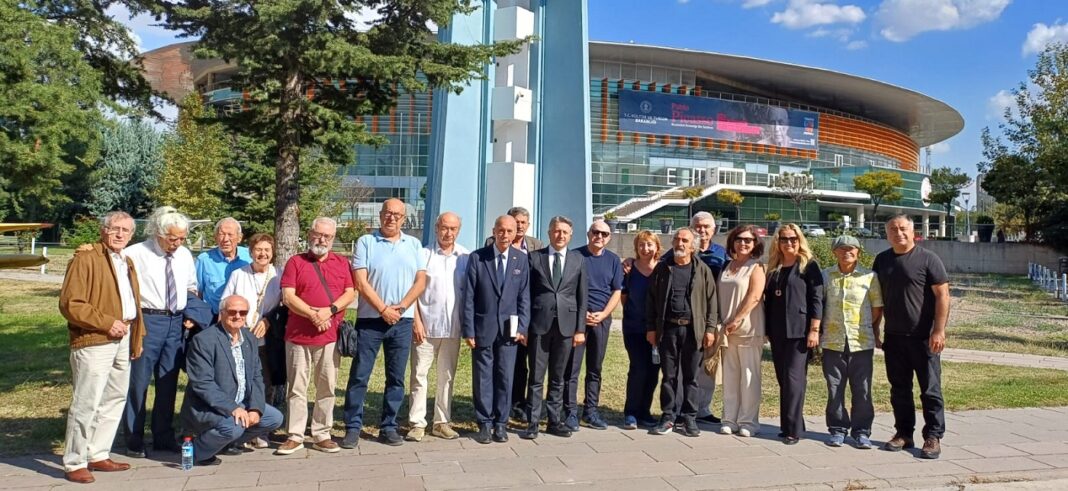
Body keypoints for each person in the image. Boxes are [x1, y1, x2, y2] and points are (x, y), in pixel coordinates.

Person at [59, 211, 145, 484]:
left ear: (132, 235)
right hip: (95, 338)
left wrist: (136, 337)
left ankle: (97, 453)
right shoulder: (85, 258)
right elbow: (71, 304)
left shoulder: (126, 261)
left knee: (114, 398)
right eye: (115, 228)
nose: (120, 234)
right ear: (103, 230)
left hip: (123, 336)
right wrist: (107, 323)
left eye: (126, 230)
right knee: (86, 401)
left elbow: (132, 303)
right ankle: (75, 461)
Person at [343, 198, 427, 448]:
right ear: (380, 215)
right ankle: (352, 426)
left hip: (402, 321)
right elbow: (360, 282)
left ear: (404, 219)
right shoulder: (366, 242)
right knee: (360, 375)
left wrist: (401, 307)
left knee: (396, 377)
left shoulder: (414, 244)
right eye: (387, 213)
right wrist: (383, 309)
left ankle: (389, 426)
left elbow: (421, 282)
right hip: (370, 320)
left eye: (397, 214)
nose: (391, 218)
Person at [275, 217, 355, 455]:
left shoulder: (342, 263)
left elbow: (350, 293)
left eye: (327, 236)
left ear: (333, 238)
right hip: (298, 336)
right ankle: (295, 435)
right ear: (310, 234)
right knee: (297, 388)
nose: (321, 239)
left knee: (327, 387)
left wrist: (329, 311)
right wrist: (313, 315)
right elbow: (288, 296)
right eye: (318, 234)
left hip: (329, 337)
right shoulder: (295, 262)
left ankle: (322, 434)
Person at [123, 206, 198, 457]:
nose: (177, 243)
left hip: (176, 322)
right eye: (173, 238)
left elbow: (190, 286)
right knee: (139, 382)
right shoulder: (135, 254)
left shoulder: (184, 255)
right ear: (158, 233)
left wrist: (190, 313)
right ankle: (134, 438)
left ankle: (163, 436)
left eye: (182, 238)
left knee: (168, 380)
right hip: (148, 321)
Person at [873, 214, 950, 459]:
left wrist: (938, 330)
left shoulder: (928, 259)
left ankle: (933, 436)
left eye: (903, 228)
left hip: (924, 338)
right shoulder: (882, 260)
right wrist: (875, 327)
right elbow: (877, 298)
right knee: (899, 389)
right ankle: (904, 434)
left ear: (912, 230)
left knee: (930, 390)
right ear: (887, 234)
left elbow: (943, 296)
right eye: (893, 229)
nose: (899, 233)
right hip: (894, 337)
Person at [180, 295, 283, 466]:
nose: (237, 316)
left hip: (241, 403)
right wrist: (233, 408)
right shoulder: (204, 340)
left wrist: (255, 408)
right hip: (210, 406)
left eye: (243, 312)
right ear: (222, 313)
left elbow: (257, 376)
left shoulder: (249, 338)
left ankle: (223, 443)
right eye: (232, 312)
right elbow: (203, 383)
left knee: (274, 418)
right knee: (234, 426)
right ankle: (198, 451)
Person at [463, 215, 531, 444]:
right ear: (494, 231)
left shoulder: (521, 259)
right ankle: (484, 422)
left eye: (510, 231)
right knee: (483, 377)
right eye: (501, 230)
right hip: (483, 328)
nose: (505, 235)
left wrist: (522, 327)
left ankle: (501, 423)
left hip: (509, 330)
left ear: (515, 233)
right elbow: (469, 296)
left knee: (505, 376)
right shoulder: (478, 257)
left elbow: (524, 296)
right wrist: (469, 330)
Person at [646, 227, 719, 438]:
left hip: (693, 331)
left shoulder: (702, 269)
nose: (680, 243)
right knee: (668, 376)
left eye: (685, 240)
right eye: (677, 239)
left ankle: (689, 417)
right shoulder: (663, 268)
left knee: (691, 377)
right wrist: (651, 328)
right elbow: (651, 300)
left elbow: (712, 302)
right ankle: (668, 416)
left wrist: (710, 329)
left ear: (693, 246)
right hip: (668, 330)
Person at [658, 212, 727, 424]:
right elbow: (658, 266)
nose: (702, 230)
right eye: (698, 226)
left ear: (713, 230)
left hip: (709, 316)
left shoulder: (721, 254)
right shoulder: (677, 252)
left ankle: (702, 408)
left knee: (705, 367)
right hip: (682, 318)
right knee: (680, 369)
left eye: (706, 226)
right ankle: (679, 409)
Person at [523, 216, 587, 440]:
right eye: (557, 231)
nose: (560, 235)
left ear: (571, 235)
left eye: (565, 232)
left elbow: (582, 297)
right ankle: (532, 422)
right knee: (536, 377)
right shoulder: (534, 258)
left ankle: (553, 421)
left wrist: (580, 330)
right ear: (549, 233)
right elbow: (526, 294)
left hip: (566, 327)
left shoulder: (578, 260)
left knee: (558, 377)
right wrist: (524, 327)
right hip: (539, 325)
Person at [407, 212, 469, 442]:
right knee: (419, 375)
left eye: (453, 229)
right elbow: (413, 291)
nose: (448, 233)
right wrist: (416, 321)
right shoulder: (423, 255)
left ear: (458, 231)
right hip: (425, 327)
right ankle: (417, 423)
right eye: (444, 228)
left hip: (453, 328)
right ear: (436, 228)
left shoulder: (465, 257)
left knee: (447, 376)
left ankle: (441, 422)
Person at [221, 233, 284, 449]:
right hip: (240, 336)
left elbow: (283, 306)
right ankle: (240, 428)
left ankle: (261, 430)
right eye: (258, 250)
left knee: (264, 383)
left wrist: (268, 320)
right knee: (240, 381)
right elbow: (224, 303)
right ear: (250, 252)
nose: (262, 254)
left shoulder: (278, 275)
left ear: (272, 252)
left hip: (268, 338)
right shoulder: (239, 274)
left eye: (267, 250)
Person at [821, 235, 883, 449]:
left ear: (858, 252)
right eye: (841, 248)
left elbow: (876, 308)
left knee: (862, 388)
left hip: (861, 341)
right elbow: (819, 304)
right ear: (834, 252)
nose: (846, 252)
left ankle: (861, 431)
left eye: (851, 248)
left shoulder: (869, 277)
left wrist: (866, 327)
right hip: (832, 340)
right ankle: (837, 429)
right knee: (834, 387)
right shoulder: (826, 276)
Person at [764, 223, 823, 445]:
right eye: (784, 239)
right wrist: (767, 329)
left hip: (800, 331)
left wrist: (814, 330)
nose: (789, 243)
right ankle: (791, 424)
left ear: (799, 241)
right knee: (783, 379)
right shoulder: (774, 267)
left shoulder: (808, 266)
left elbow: (817, 299)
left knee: (793, 380)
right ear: (777, 242)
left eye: (793, 239)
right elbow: (769, 301)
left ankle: (793, 430)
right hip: (778, 331)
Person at [483, 206, 544, 422]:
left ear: (528, 225)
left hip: (526, 310)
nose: (519, 226)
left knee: (523, 361)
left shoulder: (536, 246)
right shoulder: (492, 243)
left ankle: (518, 403)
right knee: (507, 362)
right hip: (502, 313)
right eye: (515, 222)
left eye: (522, 223)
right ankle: (500, 405)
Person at [567, 220, 623, 430]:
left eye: (604, 234)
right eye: (596, 232)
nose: (599, 236)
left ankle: (590, 411)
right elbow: (567, 289)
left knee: (595, 369)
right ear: (588, 233)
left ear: (609, 237)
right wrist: (581, 314)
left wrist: (603, 315)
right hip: (576, 321)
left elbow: (617, 290)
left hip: (601, 320)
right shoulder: (575, 256)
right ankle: (570, 412)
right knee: (571, 368)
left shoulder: (613, 260)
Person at [717, 225, 766, 438]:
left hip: (748, 329)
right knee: (730, 377)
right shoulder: (727, 266)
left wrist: (736, 319)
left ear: (755, 244)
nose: (743, 243)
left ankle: (748, 422)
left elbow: (755, 296)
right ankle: (729, 419)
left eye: (748, 240)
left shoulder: (756, 267)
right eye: (739, 239)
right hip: (727, 331)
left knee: (749, 378)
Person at [621, 231, 662, 430]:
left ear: (657, 247)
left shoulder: (663, 269)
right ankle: (631, 412)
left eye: (649, 244)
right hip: (634, 328)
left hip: (657, 330)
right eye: (641, 245)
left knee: (653, 371)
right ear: (636, 248)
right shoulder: (629, 269)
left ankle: (644, 411)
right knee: (638, 369)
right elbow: (624, 297)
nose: (645, 249)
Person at [196, 217, 251, 316]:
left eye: (230, 234)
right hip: (213, 316)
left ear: (239, 237)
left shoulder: (249, 257)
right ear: (215, 237)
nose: (225, 239)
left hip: (243, 316)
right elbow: (197, 292)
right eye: (221, 234)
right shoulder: (204, 260)